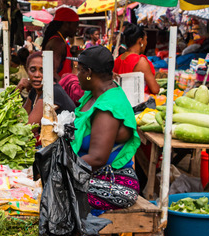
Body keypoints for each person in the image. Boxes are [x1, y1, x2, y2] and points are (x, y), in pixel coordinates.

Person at [72, 46, 140, 211]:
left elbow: (97, 159)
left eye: (79, 70)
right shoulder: (94, 93)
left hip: (113, 183)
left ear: (88, 72)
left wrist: (59, 167)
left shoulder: (108, 108)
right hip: (91, 176)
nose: (76, 75)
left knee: (56, 194)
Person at [18, 52, 76, 127]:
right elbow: (20, 118)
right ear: (27, 71)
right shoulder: (35, 91)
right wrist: (18, 89)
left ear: (51, 72)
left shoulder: (52, 92)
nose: (36, 75)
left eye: (42, 71)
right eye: (32, 70)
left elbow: (28, 128)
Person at [113, 23, 160, 95]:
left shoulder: (119, 59)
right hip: (138, 103)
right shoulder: (140, 61)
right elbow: (155, 89)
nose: (146, 42)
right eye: (145, 39)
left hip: (122, 100)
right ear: (140, 41)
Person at [43, 7, 79, 80]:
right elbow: (52, 73)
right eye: (76, 25)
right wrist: (63, 88)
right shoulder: (57, 43)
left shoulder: (60, 40)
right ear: (67, 24)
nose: (77, 29)